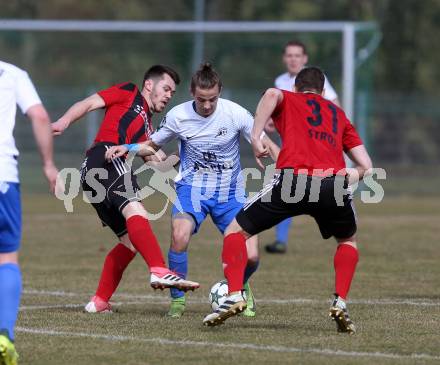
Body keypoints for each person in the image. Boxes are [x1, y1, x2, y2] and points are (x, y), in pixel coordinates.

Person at [202, 67, 372, 334]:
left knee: (235, 231)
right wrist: (354, 175)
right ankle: (340, 301)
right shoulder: (338, 114)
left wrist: (256, 138)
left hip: (294, 181)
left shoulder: (290, 99)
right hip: (333, 185)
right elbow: (366, 165)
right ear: (324, 92)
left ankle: (235, 294)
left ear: (295, 88)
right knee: (348, 241)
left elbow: (270, 93)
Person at [104, 63, 279, 318]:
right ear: (191, 93)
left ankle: (239, 286)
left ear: (220, 93)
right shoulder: (178, 116)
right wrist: (128, 148)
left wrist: (279, 159)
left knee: (251, 256)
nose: (207, 105)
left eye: (212, 99)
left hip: (230, 193)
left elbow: (262, 139)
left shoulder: (235, 113)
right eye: (201, 100)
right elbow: (152, 144)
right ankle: (177, 302)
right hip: (191, 191)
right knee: (180, 234)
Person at [51, 65, 200, 313]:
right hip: (107, 158)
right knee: (136, 211)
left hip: (94, 174)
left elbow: (160, 164)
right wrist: (64, 121)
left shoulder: (149, 129)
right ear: (149, 85)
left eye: (172, 93)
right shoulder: (129, 92)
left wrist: (188, 153)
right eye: (166, 89)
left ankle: (99, 302)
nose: (168, 96)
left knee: (130, 243)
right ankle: (159, 269)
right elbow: (89, 103)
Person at [0, 60, 59, 365]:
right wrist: (48, 165)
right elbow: (39, 114)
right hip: (4, 177)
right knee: (7, 258)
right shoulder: (12, 74)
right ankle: (4, 336)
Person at [265, 40, 340, 254]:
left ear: (305, 58)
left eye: (297, 55)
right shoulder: (281, 80)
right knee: (287, 187)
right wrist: (272, 121)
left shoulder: (314, 79)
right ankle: (280, 240)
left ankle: (340, 231)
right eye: (289, 55)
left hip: (315, 147)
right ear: (284, 58)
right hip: (290, 146)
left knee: (314, 188)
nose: (293, 59)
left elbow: (335, 106)